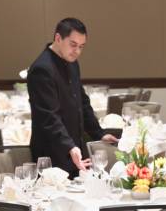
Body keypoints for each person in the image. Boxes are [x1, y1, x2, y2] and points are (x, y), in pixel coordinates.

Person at [28, 17, 117, 178]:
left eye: (81, 47)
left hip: (73, 150)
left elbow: (81, 103)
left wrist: (99, 133)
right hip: (51, 154)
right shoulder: (42, 69)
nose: (77, 51)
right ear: (58, 38)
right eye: (73, 45)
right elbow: (49, 117)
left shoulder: (72, 62)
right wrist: (69, 146)